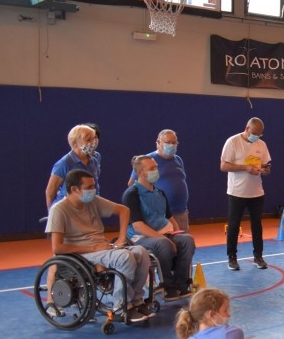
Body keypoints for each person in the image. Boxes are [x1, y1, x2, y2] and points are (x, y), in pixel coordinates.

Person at [45, 168, 153, 322]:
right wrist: (94, 248)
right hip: (81, 252)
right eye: (89, 187)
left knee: (141, 252)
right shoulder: (59, 210)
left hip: (102, 248)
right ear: (74, 189)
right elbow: (57, 248)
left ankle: (136, 301)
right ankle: (121, 306)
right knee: (124, 257)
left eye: (93, 186)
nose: (93, 190)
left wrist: (121, 238)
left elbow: (124, 211)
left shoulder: (93, 201)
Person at [123, 155, 196, 301]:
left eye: (156, 167)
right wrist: (165, 239)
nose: (156, 170)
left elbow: (170, 218)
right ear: (141, 173)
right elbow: (138, 226)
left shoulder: (160, 193)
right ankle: (167, 286)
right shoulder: (132, 194)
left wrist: (176, 233)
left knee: (187, 240)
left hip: (163, 233)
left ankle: (181, 284)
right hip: (141, 237)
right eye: (152, 168)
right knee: (163, 244)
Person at [221, 117, 272, 271]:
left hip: (256, 192)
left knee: (257, 225)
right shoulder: (233, 142)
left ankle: (258, 256)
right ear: (247, 128)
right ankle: (232, 257)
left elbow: (267, 165)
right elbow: (223, 166)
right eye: (254, 133)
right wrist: (245, 168)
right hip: (237, 192)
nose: (256, 136)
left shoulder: (261, 145)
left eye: (259, 134)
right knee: (234, 225)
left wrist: (264, 170)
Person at [128, 129, 190, 232]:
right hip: (158, 214)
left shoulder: (178, 160)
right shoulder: (148, 160)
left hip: (180, 211)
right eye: (168, 142)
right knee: (164, 244)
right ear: (158, 142)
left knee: (184, 242)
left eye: (174, 142)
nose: (171, 145)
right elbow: (132, 184)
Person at [45, 124, 101, 210]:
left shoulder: (94, 161)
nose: (93, 142)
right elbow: (50, 191)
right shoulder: (64, 163)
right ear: (75, 143)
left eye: (94, 138)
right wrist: (52, 214)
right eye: (88, 139)